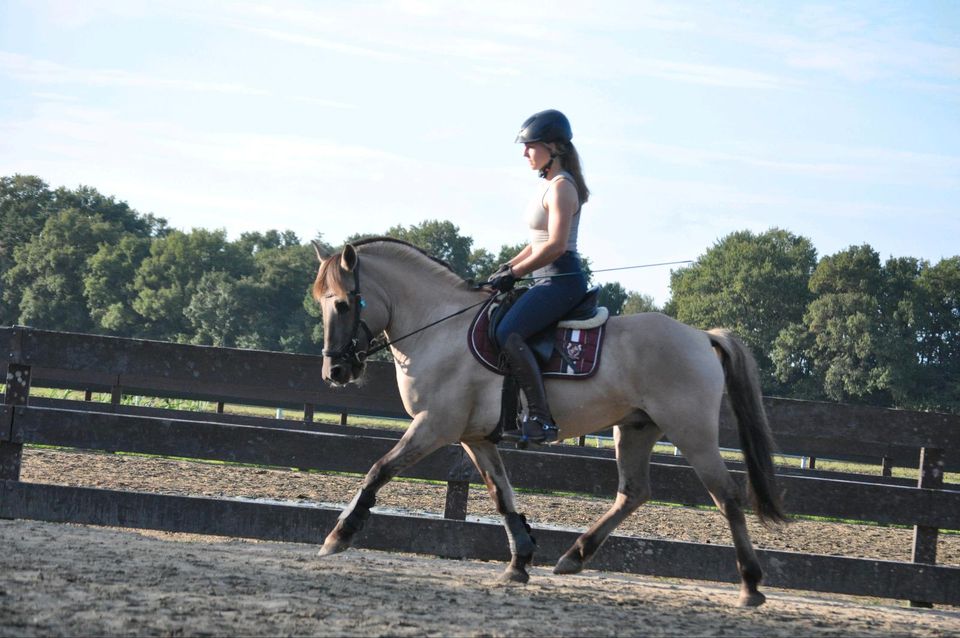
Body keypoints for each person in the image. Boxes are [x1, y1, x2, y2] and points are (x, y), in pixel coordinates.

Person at [487, 109, 590, 445]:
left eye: (530, 146)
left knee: (508, 331)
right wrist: (505, 269)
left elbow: (557, 245)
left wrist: (516, 272)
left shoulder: (562, 188)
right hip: (542, 276)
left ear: (553, 148)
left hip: (561, 279)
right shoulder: (546, 186)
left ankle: (541, 418)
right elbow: (535, 243)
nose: (524, 152)